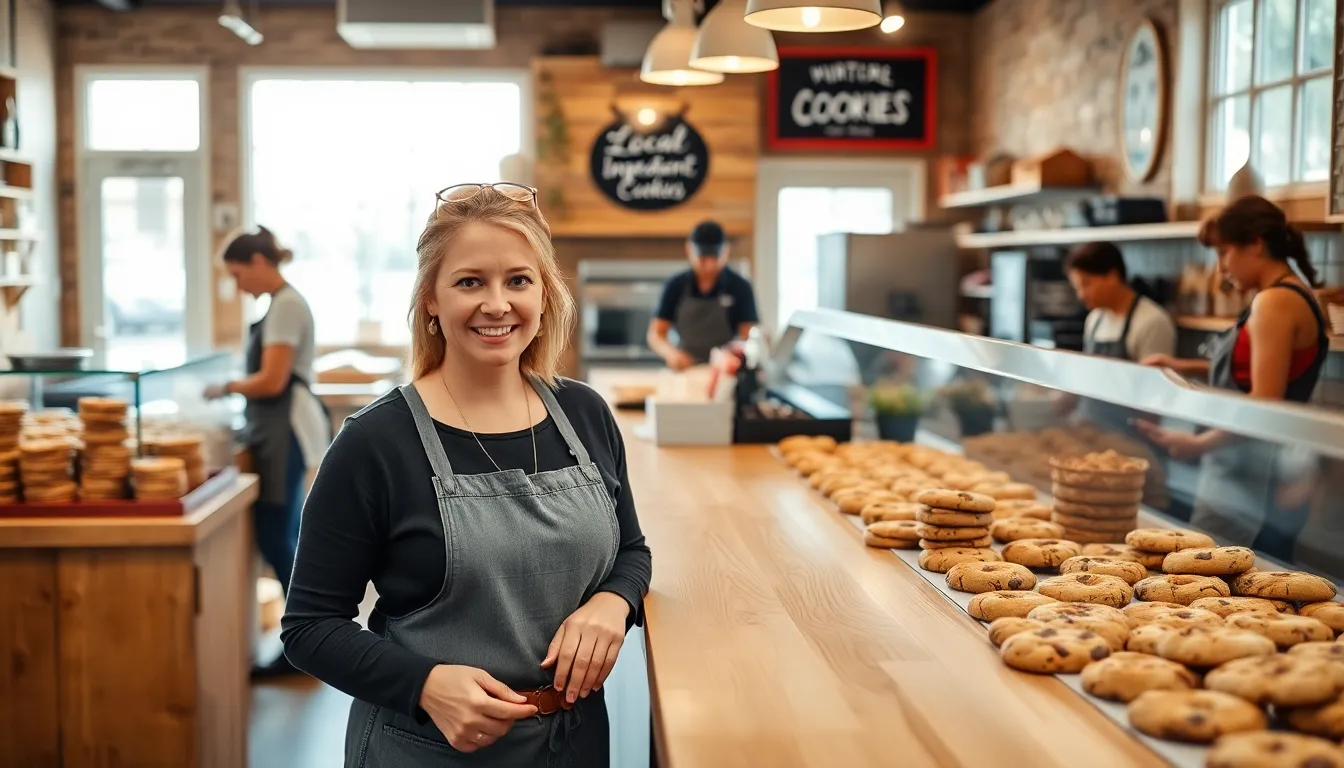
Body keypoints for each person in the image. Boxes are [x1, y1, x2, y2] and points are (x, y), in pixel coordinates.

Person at [280, 182, 653, 767]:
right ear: (431, 298)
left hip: (575, 743)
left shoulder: (584, 414)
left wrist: (613, 601)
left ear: (545, 292)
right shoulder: (374, 442)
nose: (497, 304)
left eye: (518, 280)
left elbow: (631, 549)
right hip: (424, 747)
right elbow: (309, 627)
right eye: (470, 281)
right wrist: (423, 684)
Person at [1135, 195, 1329, 553]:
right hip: (1243, 466)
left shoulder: (1274, 302)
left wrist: (1196, 444)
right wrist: (1183, 366)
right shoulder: (1285, 294)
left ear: (1255, 244)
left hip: (1254, 474)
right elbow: (1258, 373)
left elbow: (1263, 402)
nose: (1220, 268)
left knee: (1214, 578)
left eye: (1224, 253)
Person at [206, 225, 330, 675]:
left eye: (239, 275)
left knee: (278, 533)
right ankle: (306, 640)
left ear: (260, 263)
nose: (239, 286)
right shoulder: (280, 305)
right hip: (276, 430)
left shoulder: (286, 306)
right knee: (281, 532)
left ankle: (304, 642)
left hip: (286, 430)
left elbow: (272, 380)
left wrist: (225, 387)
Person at [647, 219, 759, 370]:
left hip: (724, 372)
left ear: (725, 250)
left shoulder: (740, 287)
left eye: (713, 257)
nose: (708, 264)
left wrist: (734, 353)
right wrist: (671, 354)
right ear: (689, 249)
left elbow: (749, 335)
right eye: (702, 257)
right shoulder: (675, 285)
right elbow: (656, 334)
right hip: (685, 370)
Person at [1065, 241, 1177, 364]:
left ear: (1112, 277)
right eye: (1077, 288)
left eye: (1086, 284)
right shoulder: (1094, 319)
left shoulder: (1152, 321)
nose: (1081, 295)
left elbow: (1154, 380)